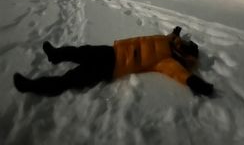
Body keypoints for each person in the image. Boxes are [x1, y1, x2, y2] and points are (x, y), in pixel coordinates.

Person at [13, 26, 214, 97]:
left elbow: (178, 74)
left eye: (184, 45)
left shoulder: (166, 61)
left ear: (184, 54)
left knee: (70, 79)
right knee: (79, 52)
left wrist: (195, 82)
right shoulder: (167, 40)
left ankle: (30, 86)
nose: (181, 42)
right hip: (112, 50)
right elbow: (172, 35)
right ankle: (56, 55)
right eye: (183, 41)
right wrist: (175, 32)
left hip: (111, 67)